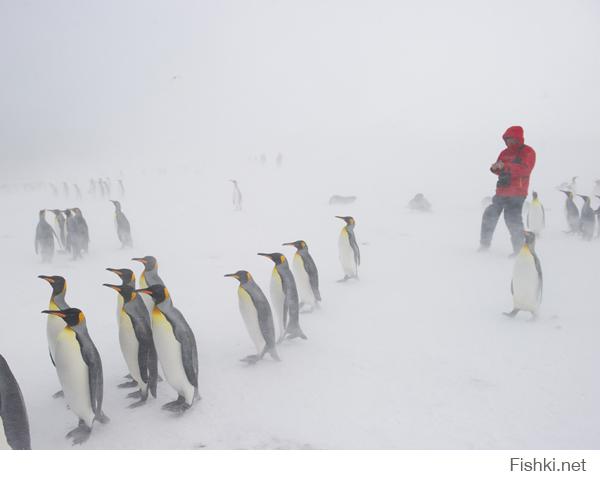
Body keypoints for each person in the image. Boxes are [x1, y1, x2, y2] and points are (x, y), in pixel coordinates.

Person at [479, 126, 536, 256]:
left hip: (517, 192)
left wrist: (506, 166)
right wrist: (495, 168)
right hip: (501, 191)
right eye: (508, 139)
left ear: (518, 139)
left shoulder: (527, 152)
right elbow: (500, 168)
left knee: (512, 219)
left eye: (512, 139)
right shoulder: (504, 153)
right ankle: (484, 245)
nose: (510, 142)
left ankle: (519, 250)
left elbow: (525, 169)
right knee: (490, 214)